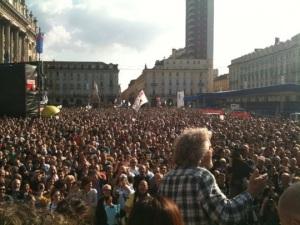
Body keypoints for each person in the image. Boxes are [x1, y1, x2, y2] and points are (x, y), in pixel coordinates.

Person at [159, 127, 268, 225]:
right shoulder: (201, 177)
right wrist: (250, 193)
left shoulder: (166, 179)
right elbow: (226, 215)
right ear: (199, 154)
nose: (212, 150)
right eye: (209, 147)